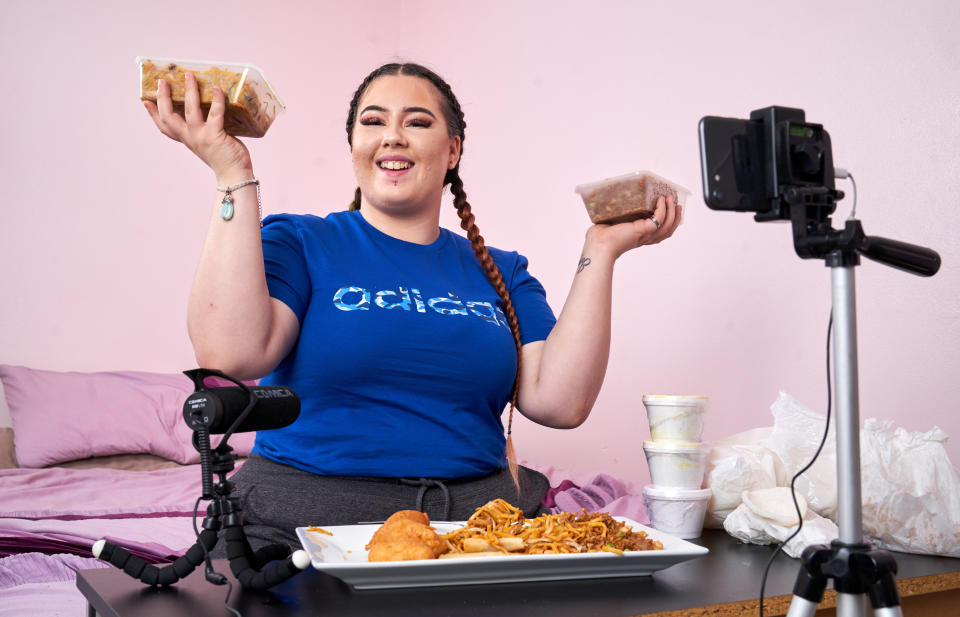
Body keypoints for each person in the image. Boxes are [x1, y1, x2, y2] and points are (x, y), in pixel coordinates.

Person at [144, 61, 681, 551]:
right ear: (353, 143)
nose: (392, 136)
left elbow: (560, 404)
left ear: (453, 150)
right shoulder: (300, 242)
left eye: (418, 122)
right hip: (303, 527)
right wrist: (231, 170)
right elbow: (230, 354)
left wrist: (601, 250)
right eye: (373, 121)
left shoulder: (503, 270)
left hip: (474, 532)